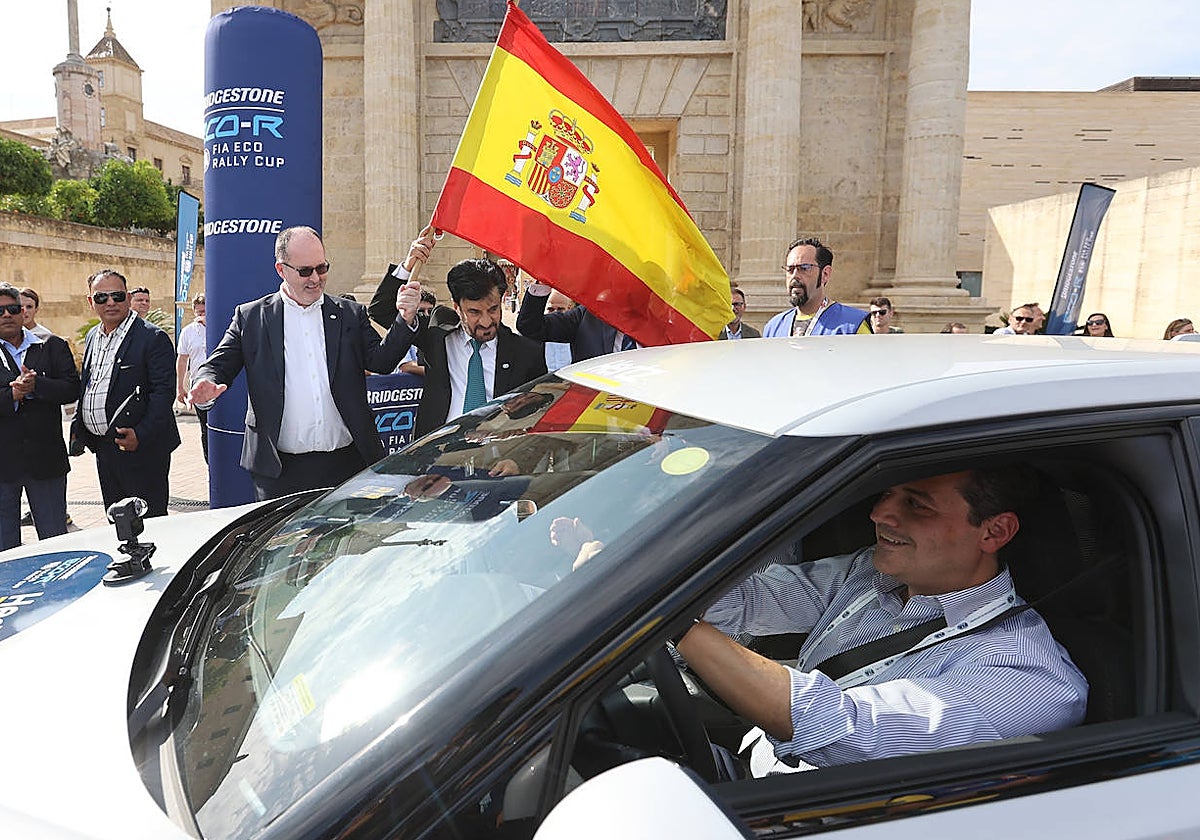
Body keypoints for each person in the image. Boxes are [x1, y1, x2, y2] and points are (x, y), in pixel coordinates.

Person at [674, 466, 1088, 775]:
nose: (879, 513)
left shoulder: (1026, 675)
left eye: (916, 504)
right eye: (888, 493)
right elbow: (750, 598)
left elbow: (839, 727)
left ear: (994, 532)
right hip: (756, 764)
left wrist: (675, 622)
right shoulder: (871, 576)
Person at [189, 226, 412, 501]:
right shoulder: (252, 317)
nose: (316, 278)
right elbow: (219, 364)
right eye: (305, 271)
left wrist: (404, 320)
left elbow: (381, 361)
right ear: (281, 269)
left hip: (348, 464)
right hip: (279, 471)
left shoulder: (349, 314)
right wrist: (205, 382)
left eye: (322, 268)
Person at [390, 258, 547, 439]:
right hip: (438, 448)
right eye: (474, 312)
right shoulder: (437, 335)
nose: (486, 322)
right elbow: (382, 312)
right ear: (456, 307)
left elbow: (538, 412)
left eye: (493, 309)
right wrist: (408, 266)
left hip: (499, 452)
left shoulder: (526, 352)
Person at [70, 269, 180, 516]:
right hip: (104, 448)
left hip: (141, 448)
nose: (110, 302)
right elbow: (89, 385)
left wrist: (140, 434)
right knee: (117, 519)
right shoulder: (93, 336)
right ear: (90, 302)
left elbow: (163, 393)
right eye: (101, 297)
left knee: (148, 522)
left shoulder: (152, 337)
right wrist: (79, 427)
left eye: (117, 296)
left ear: (128, 298)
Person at [0, 283, 79, 548]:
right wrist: (11, 395)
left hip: (46, 462)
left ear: (23, 312)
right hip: (3, 465)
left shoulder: (52, 346)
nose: (6, 315)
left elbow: (71, 388)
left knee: (54, 542)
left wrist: (38, 385)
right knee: (4, 549)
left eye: (12, 309)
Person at [762, 237, 869, 337]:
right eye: (790, 269)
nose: (795, 276)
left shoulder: (853, 326)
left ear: (825, 274)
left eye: (804, 268)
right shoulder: (773, 328)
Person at [175, 294, 210, 463]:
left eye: (204, 311)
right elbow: (182, 359)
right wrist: (180, 387)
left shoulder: (220, 326)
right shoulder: (188, 332)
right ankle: (210, 463)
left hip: (220, 382)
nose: (201, 315)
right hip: (198, 384)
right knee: (205, 427)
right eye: (198, 312)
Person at [396, 290, 437, 376]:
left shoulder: (437, 335)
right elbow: (406, 366)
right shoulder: (403, 333)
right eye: (421, 311)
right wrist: (436, 372)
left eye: (430, 311)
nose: (427, 315)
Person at [541, 288, 577, 369]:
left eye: (560, 309)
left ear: (570, 309)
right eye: (550, 309)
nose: (555, 314)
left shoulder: (580, 334)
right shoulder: (534, 339)